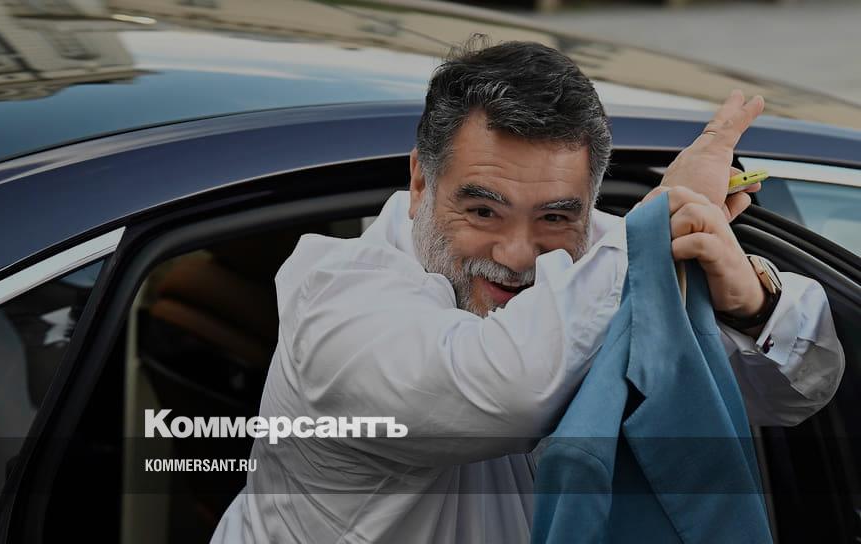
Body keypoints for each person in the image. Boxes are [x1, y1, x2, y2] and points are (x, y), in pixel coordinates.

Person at [210, 39, 844, 543]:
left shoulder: (598, 253)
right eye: (483, 212)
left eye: (554, 216)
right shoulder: (335, 306)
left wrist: (751, 302)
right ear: (421, 182)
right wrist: (660, 221)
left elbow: (794, 391)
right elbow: (510, 386)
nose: (518, 255)